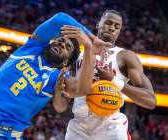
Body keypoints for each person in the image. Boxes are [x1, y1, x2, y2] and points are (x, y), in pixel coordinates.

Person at [0, 12, 110, 140]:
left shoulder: (59, 77)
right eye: (60, 40)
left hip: (6, 135)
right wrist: (91, 37)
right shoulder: (32, 47)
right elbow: (59, 18)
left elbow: (81, 89)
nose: (61, 43)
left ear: (66, 62)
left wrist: (89, 47)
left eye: (67, 47)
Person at [64, 10, 157, 140]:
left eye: (116, 26)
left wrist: (113, 80)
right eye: (108, 23)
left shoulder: (125, 56)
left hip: (110, 124)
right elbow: (67, 90)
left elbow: (150, 101)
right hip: (79, 123)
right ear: (98, 24)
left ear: (119, 32)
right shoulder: (78, 55)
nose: (112, 28)